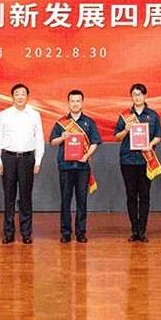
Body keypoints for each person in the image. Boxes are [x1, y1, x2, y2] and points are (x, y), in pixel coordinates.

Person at [0, 84, 44, 244]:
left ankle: (26, 232)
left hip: (27, 159)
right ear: (12, 97)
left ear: (27, 97)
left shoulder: (34, 115)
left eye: (23, 94)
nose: (20, 97)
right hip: (8, 158)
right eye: (17, 94)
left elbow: (39, 138)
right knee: (9, 196)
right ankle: (8, 233)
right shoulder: (4, 114)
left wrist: (38, 159)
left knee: (25, 197)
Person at [49, 90, 102, 243]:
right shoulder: (61, 123)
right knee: (65, 200)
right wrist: (62, 137)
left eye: (78, 101)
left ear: (82, 103)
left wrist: (87, 155)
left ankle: (81, 232)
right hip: (65, 166)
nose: (75, 104)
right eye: (72, 101)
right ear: (68, 103)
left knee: (82, 200)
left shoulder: (89, 122)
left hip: (82, 166)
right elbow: (52, 142)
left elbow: (95, 142)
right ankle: (65, 232)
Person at [113, 84, 161, 243]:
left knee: (144, 195)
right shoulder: (124, 116)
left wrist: (151, 144)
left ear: (145, 96)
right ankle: (134, 229)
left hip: (145, 160)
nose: (137, 97)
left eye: (140, 94)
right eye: (134, 94)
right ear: (131, 97)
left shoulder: (153, 116)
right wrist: (126, 130)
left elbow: (159, 136)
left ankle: (142, 230)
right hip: (128, 160)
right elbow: (117, 137)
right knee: (131, 195)